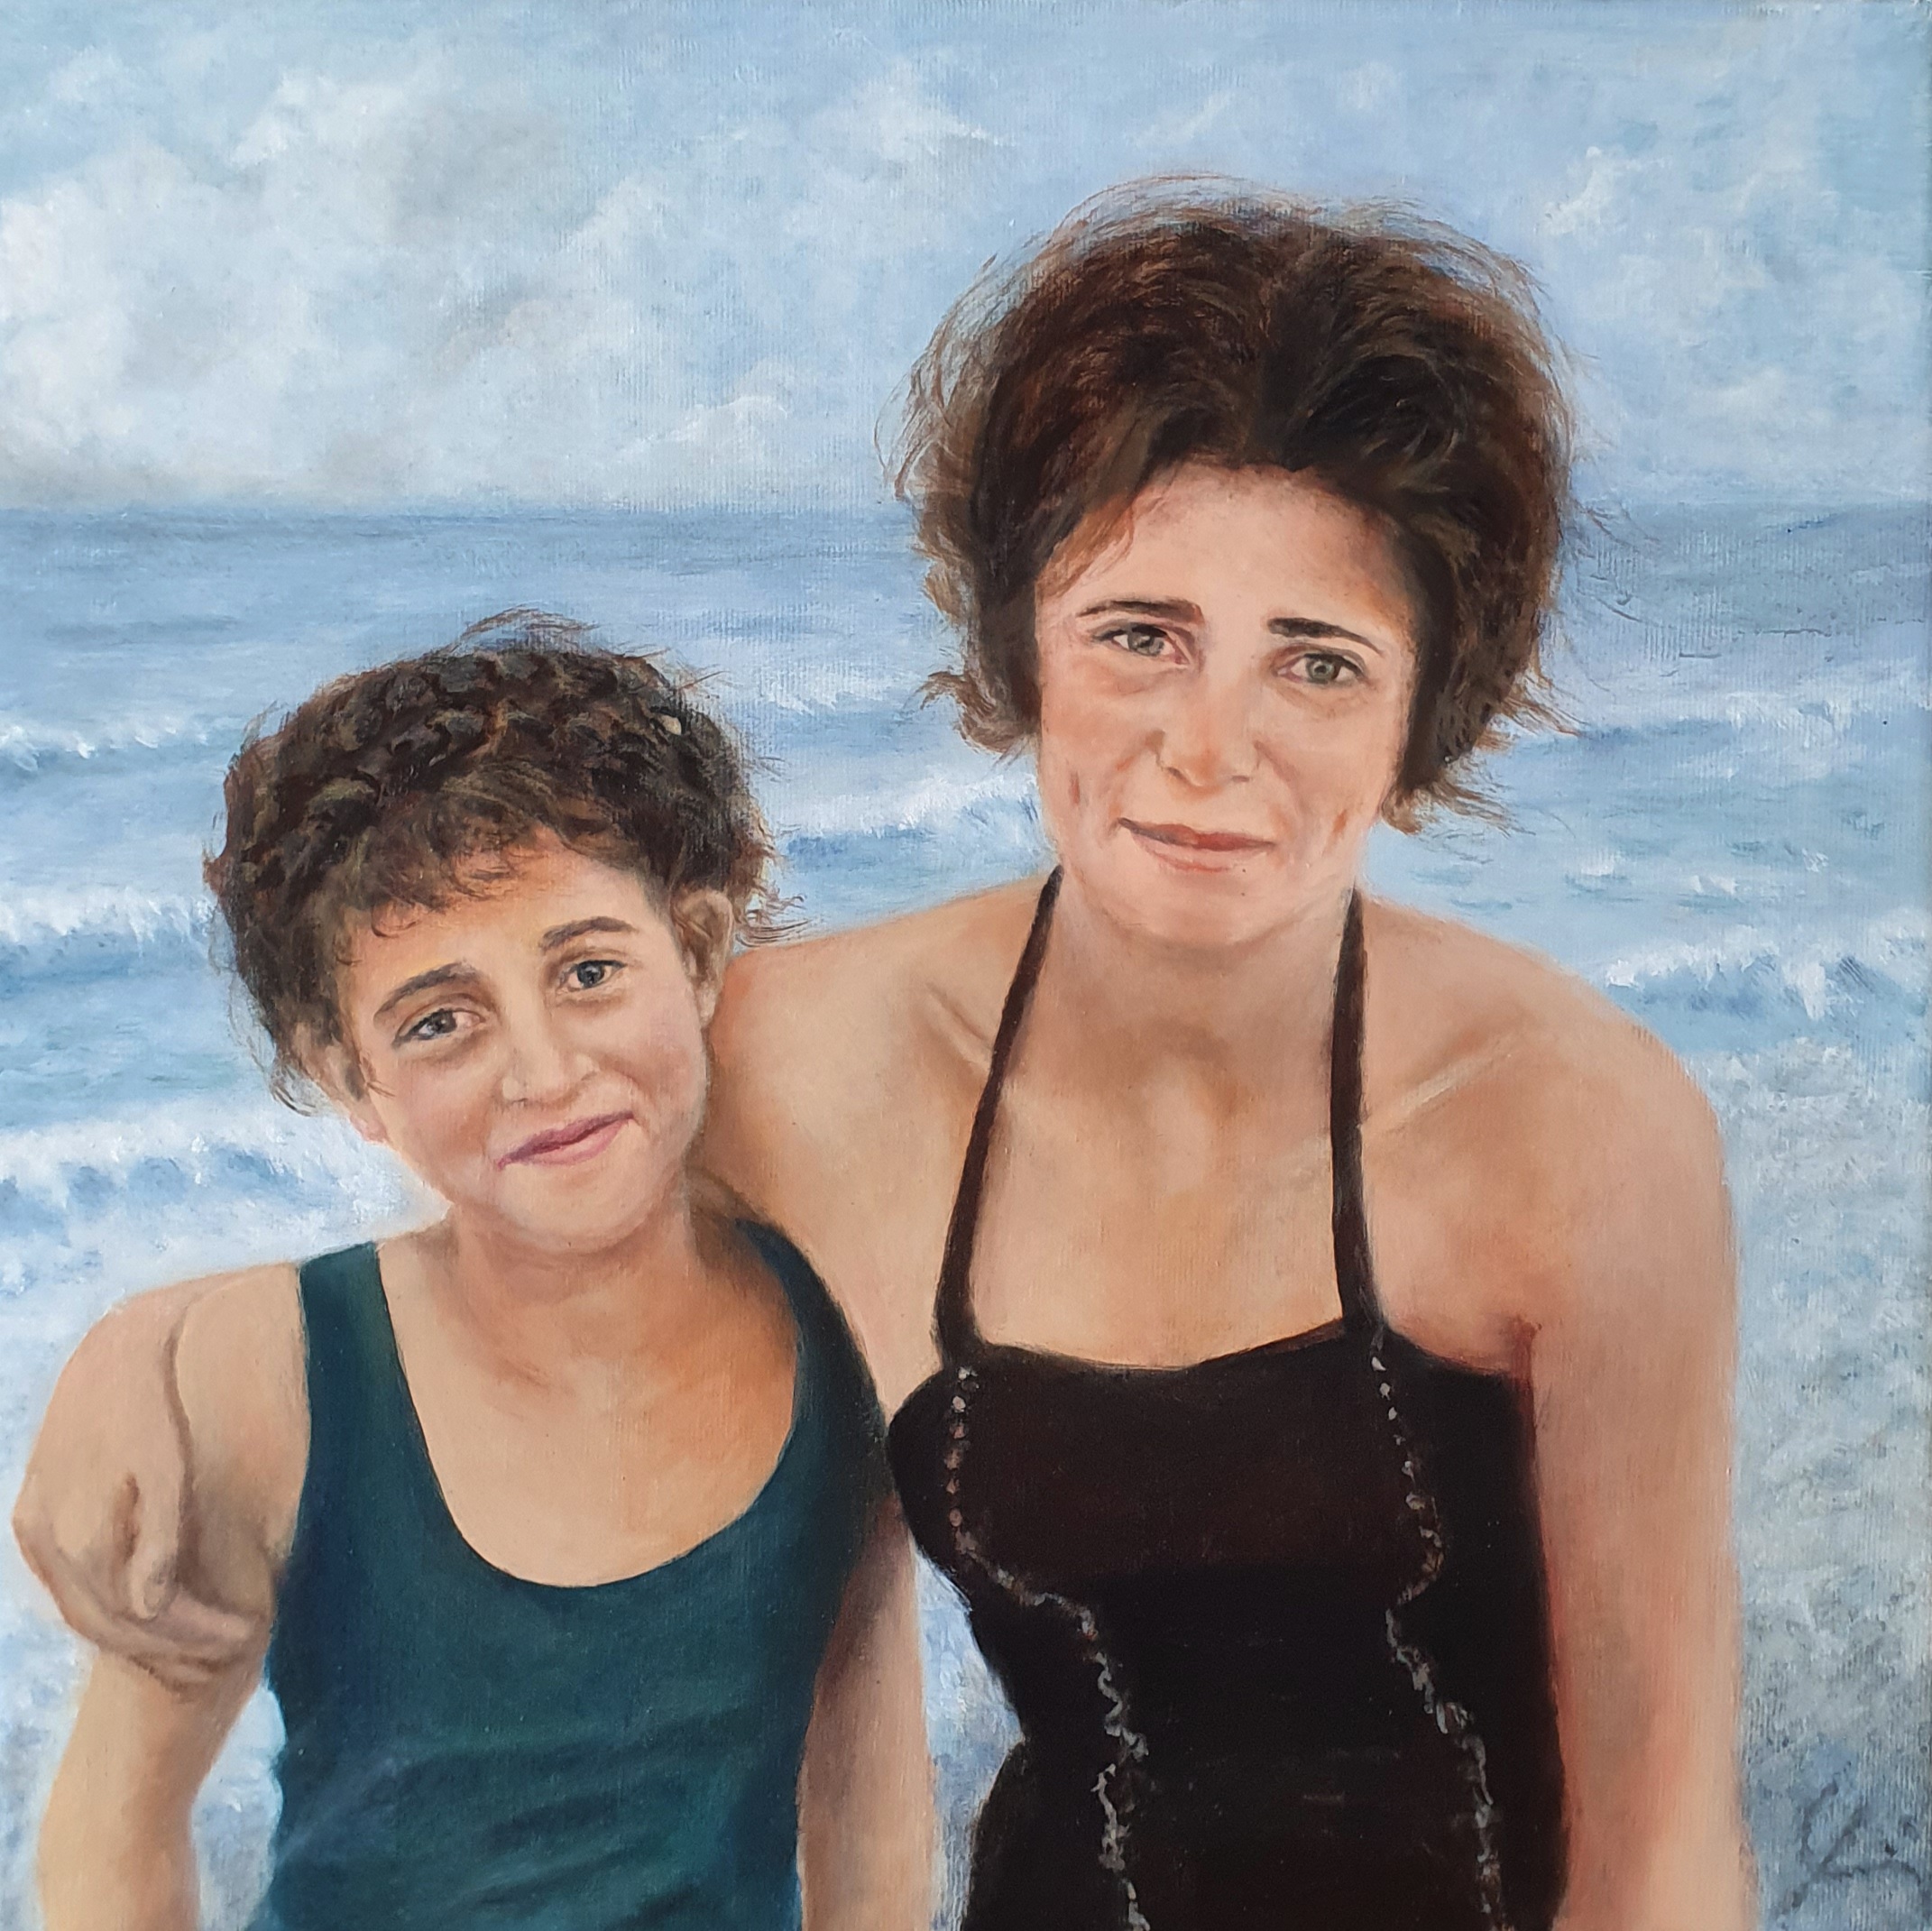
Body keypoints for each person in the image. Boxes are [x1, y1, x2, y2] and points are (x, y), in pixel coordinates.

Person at [17, 189, 1753, 1929]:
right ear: (1019, 639)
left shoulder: (1575, 1125)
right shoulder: (801, 1059)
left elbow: (1662, 1845)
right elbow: (518, 1197)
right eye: (1138, 635)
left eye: (1317, 661)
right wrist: (150, 1353)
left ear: (1425, 701)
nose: (1208, 748)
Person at [27, 621, 932, 1931]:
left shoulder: (842, 1331)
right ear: (348, 1077)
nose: (544, 1072)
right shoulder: (270, 1380)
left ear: (698, 952)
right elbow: (112, 1840)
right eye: (440, 1022)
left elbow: (867, 1822)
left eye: (589, 971)